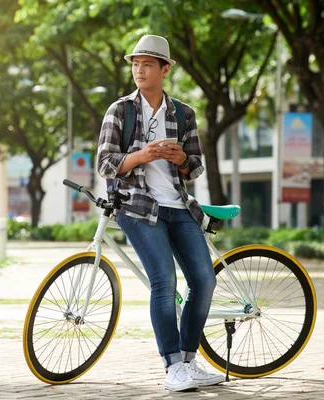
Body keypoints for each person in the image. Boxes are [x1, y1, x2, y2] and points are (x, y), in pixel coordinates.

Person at [97, 35, 225, 392]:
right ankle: (172, 365)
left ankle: (188, 359)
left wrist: (181, 159)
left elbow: (196, 166)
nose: (139, 70)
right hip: (137, 207)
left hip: (179, 206)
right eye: (136, 64)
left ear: (165, 69)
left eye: (148, 64)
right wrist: (142, 155)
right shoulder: (120, 111)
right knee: (164, 283)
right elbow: (105, 163)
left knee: (204, 280)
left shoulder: (183, 114)